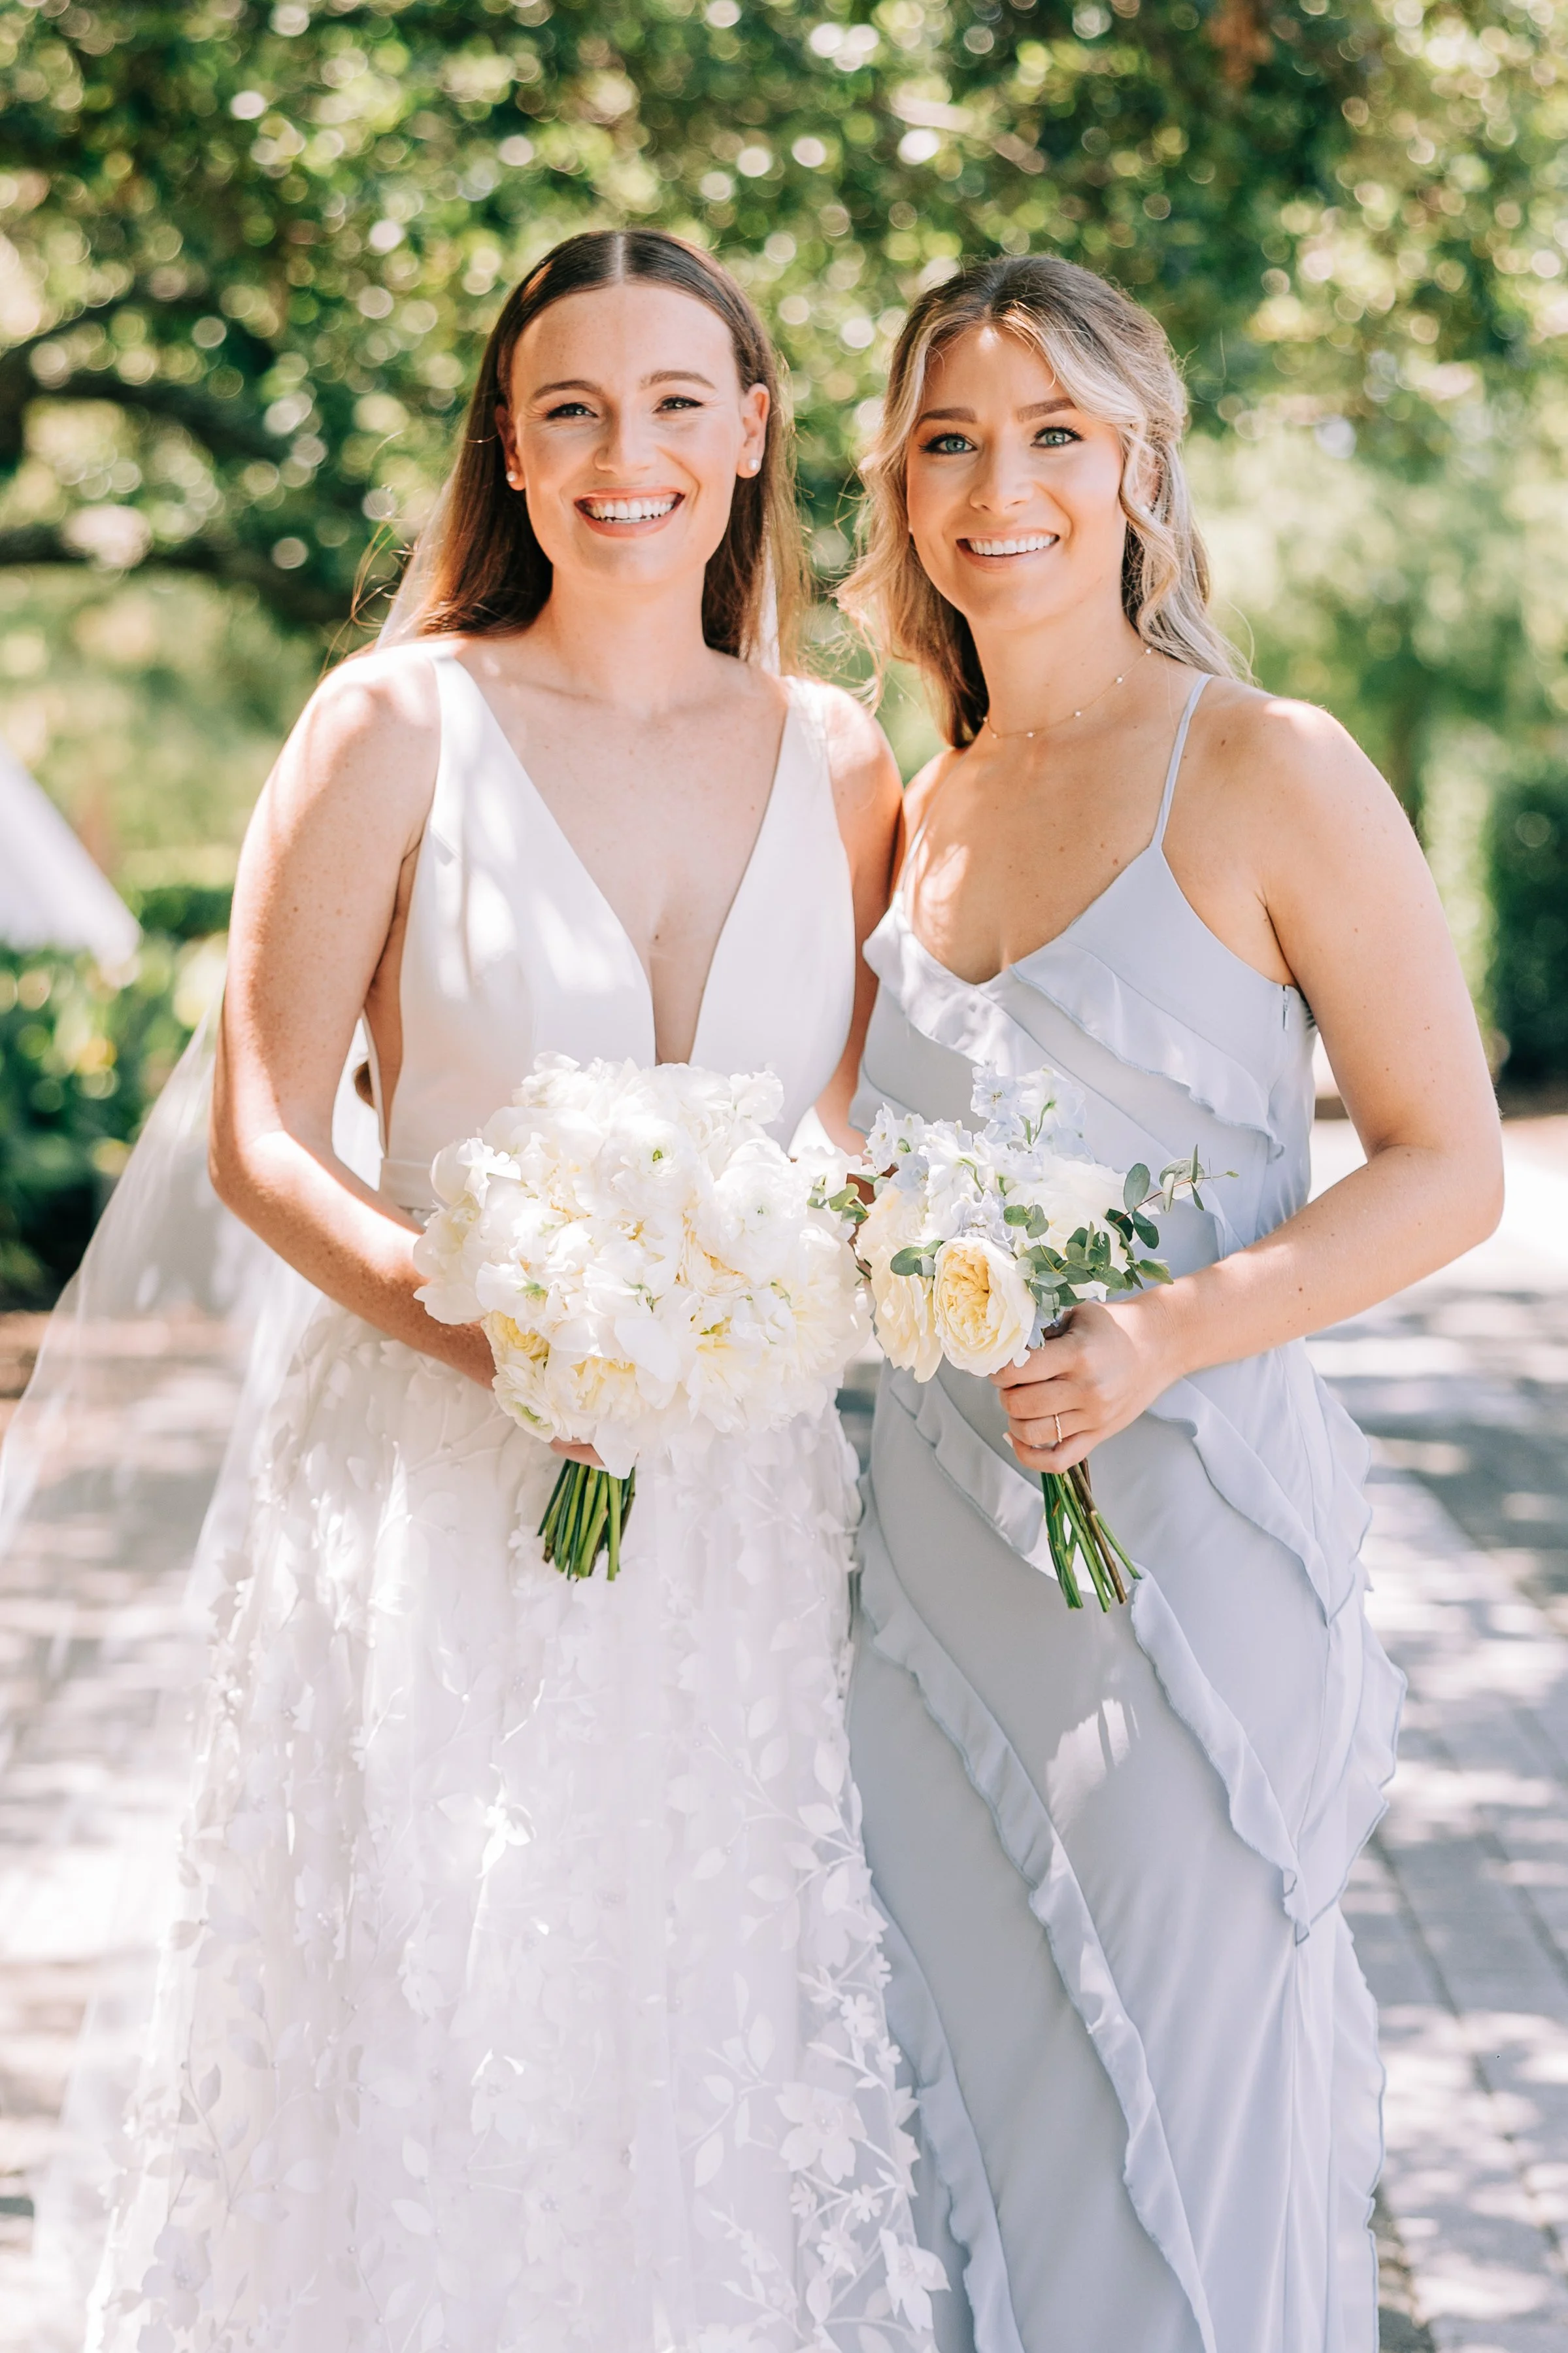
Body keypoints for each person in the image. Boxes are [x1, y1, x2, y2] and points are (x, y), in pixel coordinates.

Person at [83, 228, 944, 2353]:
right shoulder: (396, 723)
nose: (625, 453)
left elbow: (840, 1131)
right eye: (572, 408)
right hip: (434, 1466)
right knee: (438, 2011)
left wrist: (861, 1273)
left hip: (729, 1510)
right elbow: (263, 1133)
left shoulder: (844, 756)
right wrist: (495, 1334)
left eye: (674, 404)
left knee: (690, 2009)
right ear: (513, 446)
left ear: (752, 433)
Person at [837, 253, 1503, 2353]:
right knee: (951, 2135)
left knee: (1180, 2139)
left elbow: (1450, 1162)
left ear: (1138, 466)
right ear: (899, 486)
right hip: (924, 1579)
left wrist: (1164, 1333)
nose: (999, 488)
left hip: (1185, 1568)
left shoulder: (1268, 767)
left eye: (1054, 433)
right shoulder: (906, 808)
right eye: (949, 441)